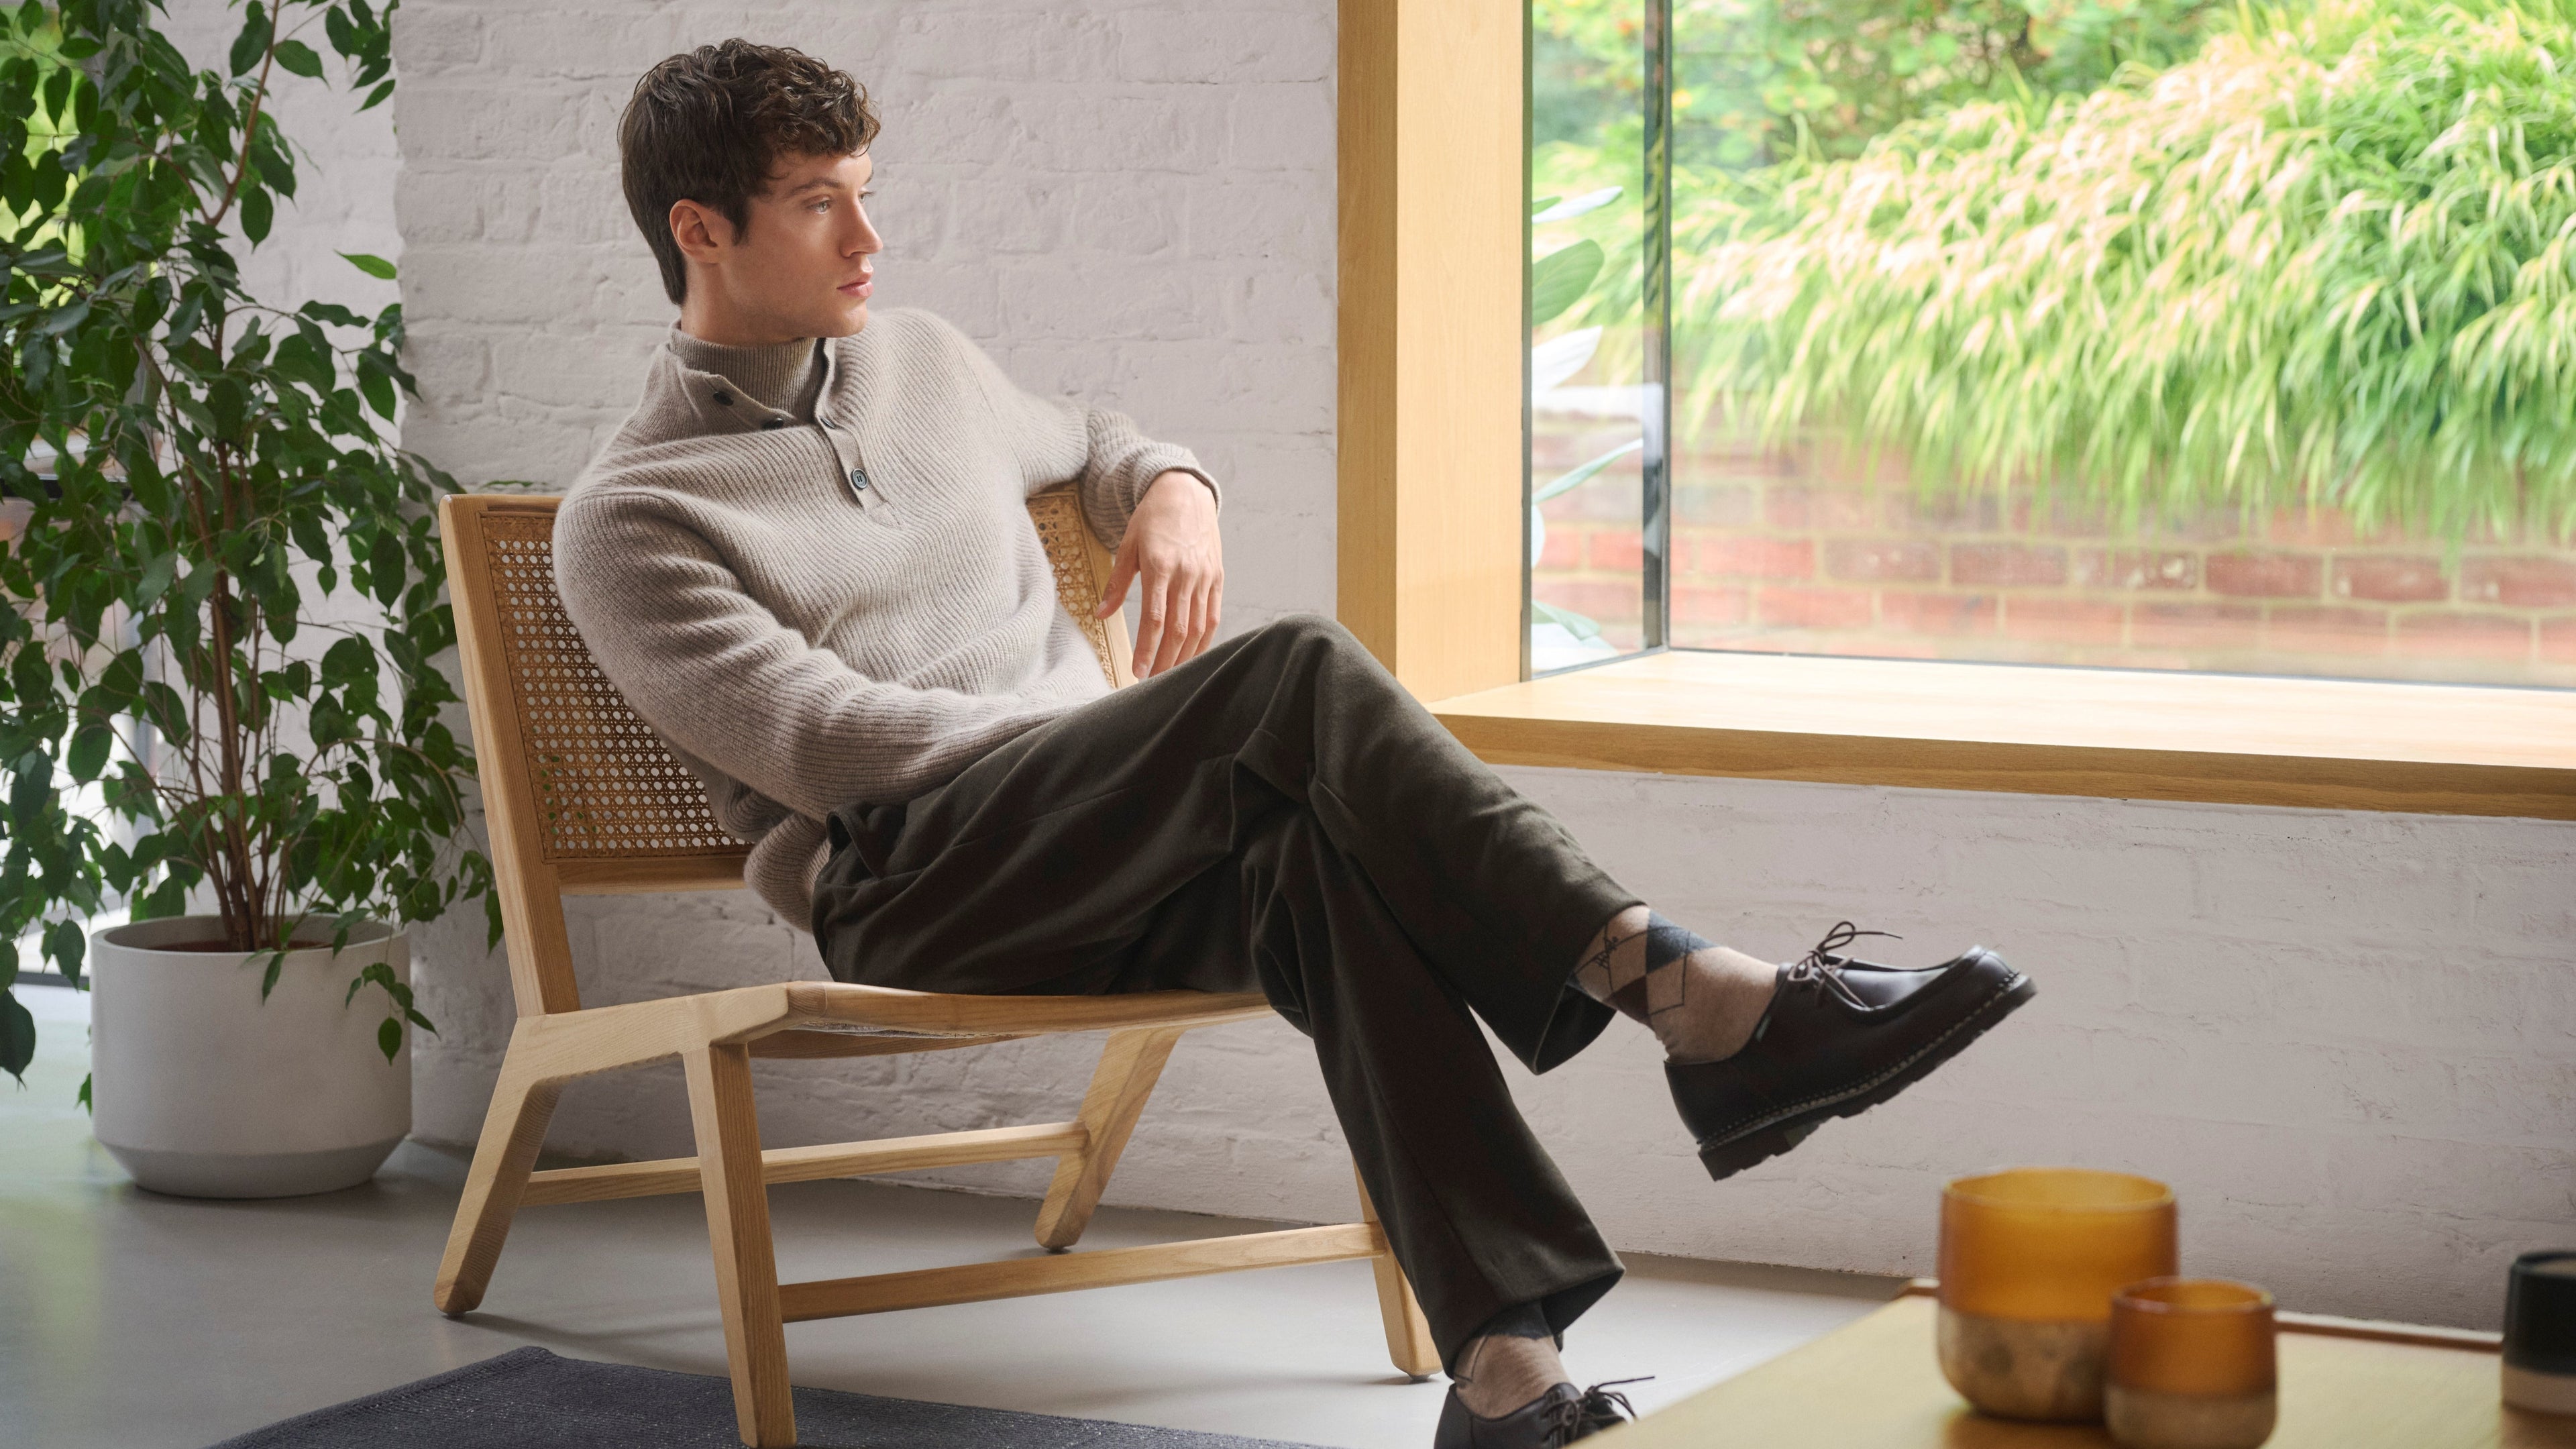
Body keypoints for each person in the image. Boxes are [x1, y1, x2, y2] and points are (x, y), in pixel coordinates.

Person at [554, 40, 2035, 1449]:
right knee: (1295, 671)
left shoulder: (922, 360)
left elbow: (1097, 434)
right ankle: (1698, 999)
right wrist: (1123, 737)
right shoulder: (631, 518)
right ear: (702, 229)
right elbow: (823, 742)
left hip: (1091, 837)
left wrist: (1177, 487)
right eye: (822, 203)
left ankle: (1509, 1376)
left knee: (1315, 856)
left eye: (868, 187)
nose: (867, 235)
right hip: (912, 879)